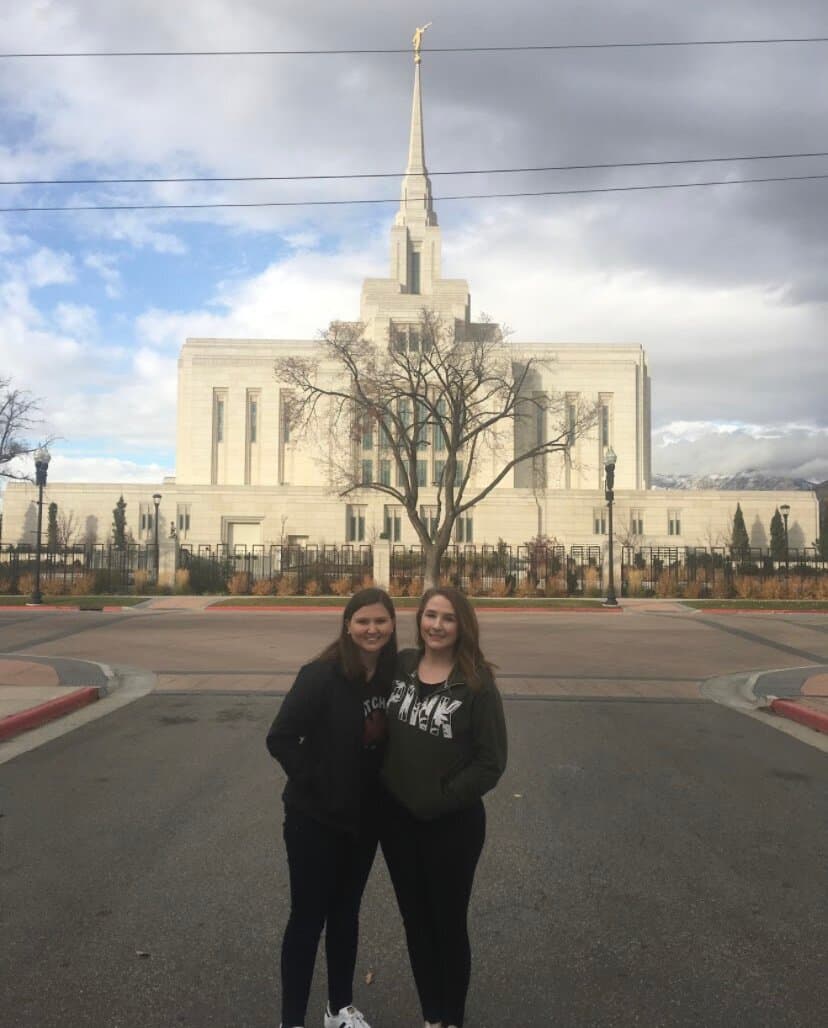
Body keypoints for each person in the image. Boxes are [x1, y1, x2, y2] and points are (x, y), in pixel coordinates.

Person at [266, 587, 397, 1028]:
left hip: (363, 823)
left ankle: (339, 1007)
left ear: (392, 625)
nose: (372, 629)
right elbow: (281, 737)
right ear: (347, 625)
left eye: (380, 621)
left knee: (346, 914)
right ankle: (291, 1020)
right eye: (363, 621)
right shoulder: (320, 675)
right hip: (314, 821)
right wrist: (320, 783)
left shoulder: (390, 678)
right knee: (307, 919)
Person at [381, 586, 508, 1028]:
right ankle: (431, 1014)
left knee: (447, 924)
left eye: (447, 618)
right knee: (415, 921)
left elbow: (491, 763)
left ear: (462, 625)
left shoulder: (476, 684)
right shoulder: (400, 667)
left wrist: (442, 797)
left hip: (452, 827)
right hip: (398, 824)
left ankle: (452, 1016)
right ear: (419, 619)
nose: (436, 625)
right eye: (430, 615)